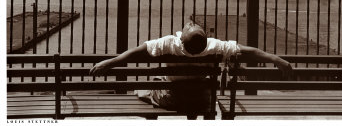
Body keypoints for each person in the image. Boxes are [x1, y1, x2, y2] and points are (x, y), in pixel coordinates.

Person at [89, 21, 292, 118]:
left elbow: (136, 52)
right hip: (202, 99)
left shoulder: (169, 44)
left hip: (172, 99)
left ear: (182, 38)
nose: (189, 23)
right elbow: (249, 51)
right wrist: (276, 59)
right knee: (195, 88)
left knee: (144, 89)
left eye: (190, 25)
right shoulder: (214, 46)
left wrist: (109, 62)